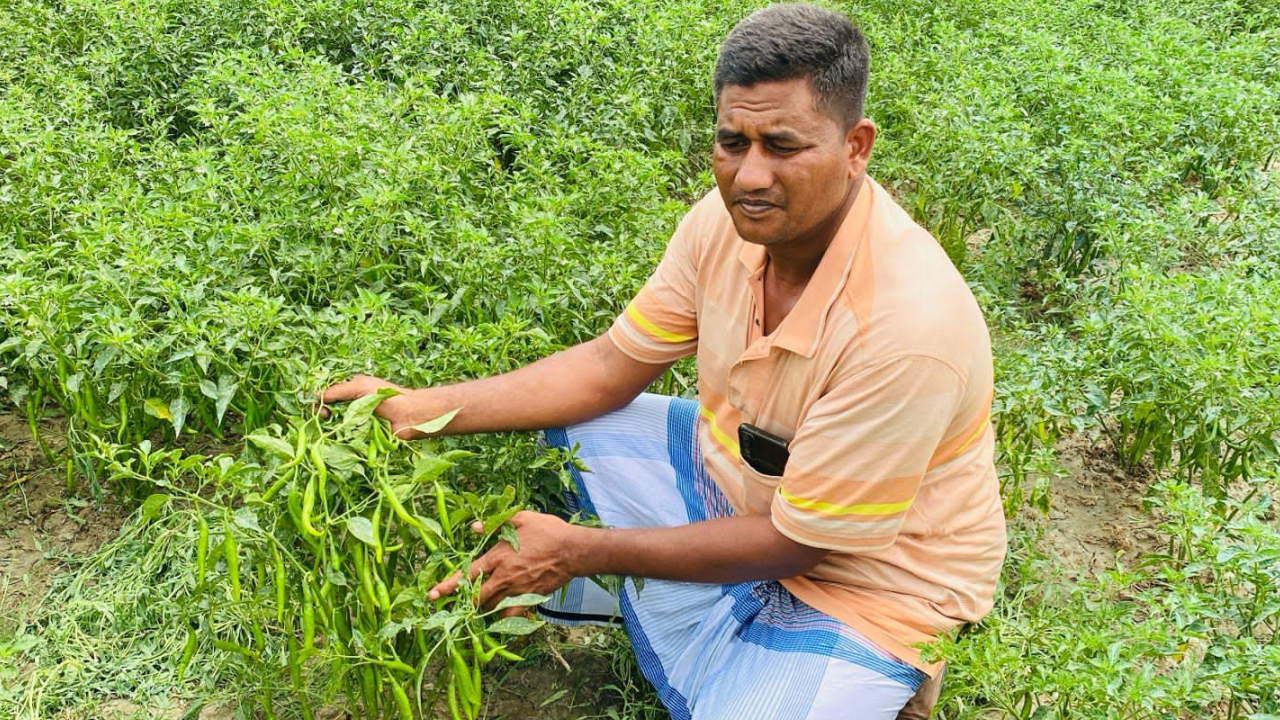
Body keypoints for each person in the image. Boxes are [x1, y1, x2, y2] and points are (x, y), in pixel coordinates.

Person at [321, 4, 1006, 718]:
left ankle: (855, 676)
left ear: (855, 146)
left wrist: (583, 550)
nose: (750, 175)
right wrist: (417, 410)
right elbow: (609, 367)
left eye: (782, 144)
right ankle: (679, 612)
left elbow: (793, 544)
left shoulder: (906, 326)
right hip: (752, 490)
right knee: (581, 437)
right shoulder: (724, 224)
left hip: (872, 579)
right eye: (732, 141)